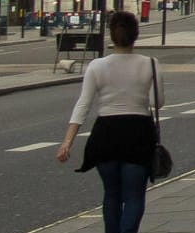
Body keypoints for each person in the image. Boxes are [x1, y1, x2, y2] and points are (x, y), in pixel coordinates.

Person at [55, 12, 163, 233]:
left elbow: (83, 105)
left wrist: (67, 141)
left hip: (106, 134)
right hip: (138, 132)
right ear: (136, 35)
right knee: (134, 196)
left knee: (111, 194)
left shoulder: (97, 66)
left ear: (112, 36)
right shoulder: (151, 64)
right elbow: (157, 102)